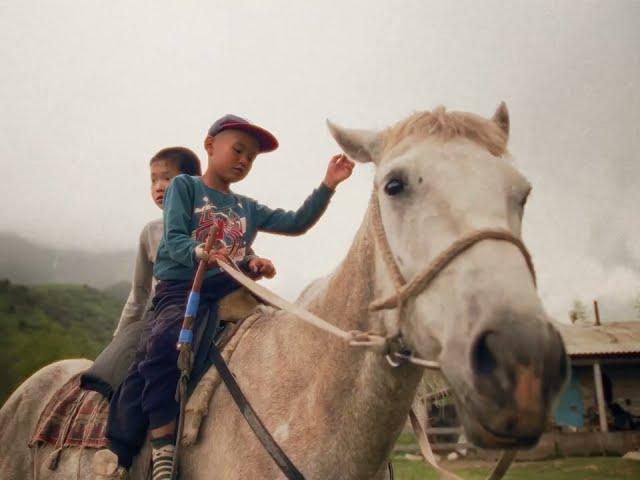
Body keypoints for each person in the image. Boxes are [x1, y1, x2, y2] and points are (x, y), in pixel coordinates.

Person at [98, 114, 354, 479]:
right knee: (161, 347)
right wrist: (202, 252)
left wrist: (328, 185)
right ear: (209, 146)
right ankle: (163, 446)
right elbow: (172, 239)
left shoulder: (246, 207)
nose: (243, 161)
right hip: (183, 288)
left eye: (250, 157)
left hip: (231, 289)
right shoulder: (184, 187)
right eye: (237, 150)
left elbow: (296, 222)